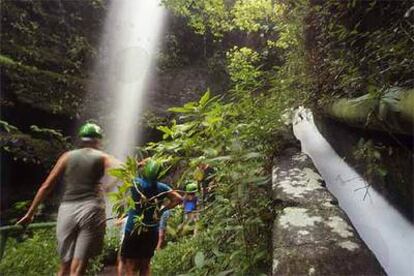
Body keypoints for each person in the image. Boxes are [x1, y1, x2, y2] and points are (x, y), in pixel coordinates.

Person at [17, 122, 116, 276]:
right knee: (79, 266)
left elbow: (46, 186)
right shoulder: (103, 157)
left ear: (82, 138)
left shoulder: (67, 156)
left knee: (64, 266)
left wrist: (30, 213)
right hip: (92, 209)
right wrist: (108, 187)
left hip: (67, 209)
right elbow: (122, 170)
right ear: (98, 140)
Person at [120, 159, 182, 276]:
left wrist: (139, 165)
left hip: (133, 229)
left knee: (131, 265)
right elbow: (178, 199)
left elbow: (128, 172)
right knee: (146, 265)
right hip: (151, 229)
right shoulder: (162, 188)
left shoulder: (135, 184)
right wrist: (162, 210)